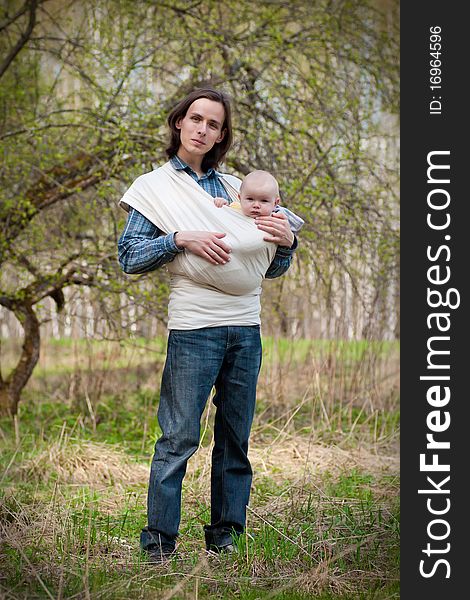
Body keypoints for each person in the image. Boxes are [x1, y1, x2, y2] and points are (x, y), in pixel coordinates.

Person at [118, 88, 299, 562]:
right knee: (178, 437)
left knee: (235, 437)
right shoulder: (154, 187)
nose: (203, 129)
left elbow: (270, 268)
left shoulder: (242, 189)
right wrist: (179, 238)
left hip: (246, 327)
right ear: (179, 122)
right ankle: (159, 542)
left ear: (222, 134)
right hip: (195, 327)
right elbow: (129, 257)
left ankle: (226, 536)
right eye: (195, 119)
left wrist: (286, 244)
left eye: (213, 124)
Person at [212, 169, 304, 233]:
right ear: (240, 198)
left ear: (275, 203)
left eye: (263, 201)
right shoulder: (236, 207)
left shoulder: (275, 218)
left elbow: (291, 230)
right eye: (250, 199)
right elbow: (224, 215)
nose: (256, 205)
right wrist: (222, 204)